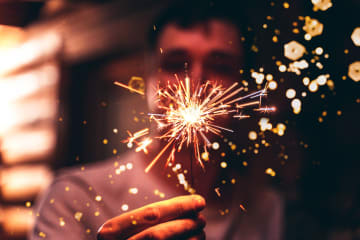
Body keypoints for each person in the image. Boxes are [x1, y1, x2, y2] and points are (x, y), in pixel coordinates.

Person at [30, 1, 283, 240]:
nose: (194, 82)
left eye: (220, 66)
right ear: (149, 78)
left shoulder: (265, 208)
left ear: (244, 88)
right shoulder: (73, 197)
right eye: (175, 64)